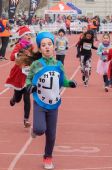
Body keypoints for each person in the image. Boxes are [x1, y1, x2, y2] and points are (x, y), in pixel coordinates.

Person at [26, 32, 77, 169]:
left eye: (49, 44)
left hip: (53, 103)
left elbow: (63, 80)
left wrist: (69, 83)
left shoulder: (58, 64)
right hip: (40, 102)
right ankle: (35, 130)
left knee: (52, 135)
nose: (47, 47)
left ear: (54, 46)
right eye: (43, 45)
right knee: (40, 128)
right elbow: (29, 79)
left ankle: (48, 157)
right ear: (40, 48)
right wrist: (30, 86)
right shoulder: (36, 64)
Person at [5, 26, 33, 128]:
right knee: (18, 99)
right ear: (22, 37)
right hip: (18, 75)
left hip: (28, 75)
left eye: (30, 34)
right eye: (27, 35)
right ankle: (13, 99)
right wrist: (21, 52)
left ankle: (26, 119)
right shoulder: (18, 46)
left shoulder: (32, 46)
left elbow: (36, 56)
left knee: (27, 97)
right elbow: (12, 57)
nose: (29, 36)